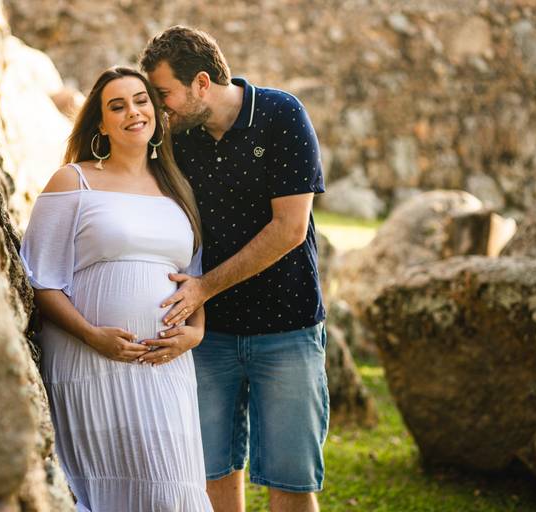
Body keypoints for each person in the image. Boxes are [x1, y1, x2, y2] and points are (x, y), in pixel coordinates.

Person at [140, 26, 329, 512]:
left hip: (287, 330)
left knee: (291, 481)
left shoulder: (281, 115)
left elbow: (290, 228)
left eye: (164, 94)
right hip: (210, 339)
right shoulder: (178, 137)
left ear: (201, 83)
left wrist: (204, 287)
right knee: (211, 475)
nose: (160, 108)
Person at [20, 66, 213, 511]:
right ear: (101, 124)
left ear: (156, 114)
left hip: (165, 364)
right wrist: (92, 335)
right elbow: (40, 280)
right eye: (118, 106)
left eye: (142, 101)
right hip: (89, 362)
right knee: (104, 488)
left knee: (172, 489)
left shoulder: (177, 188)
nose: (133, 112)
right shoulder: (73, 181)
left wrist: (196, 332)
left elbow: (193, 278)